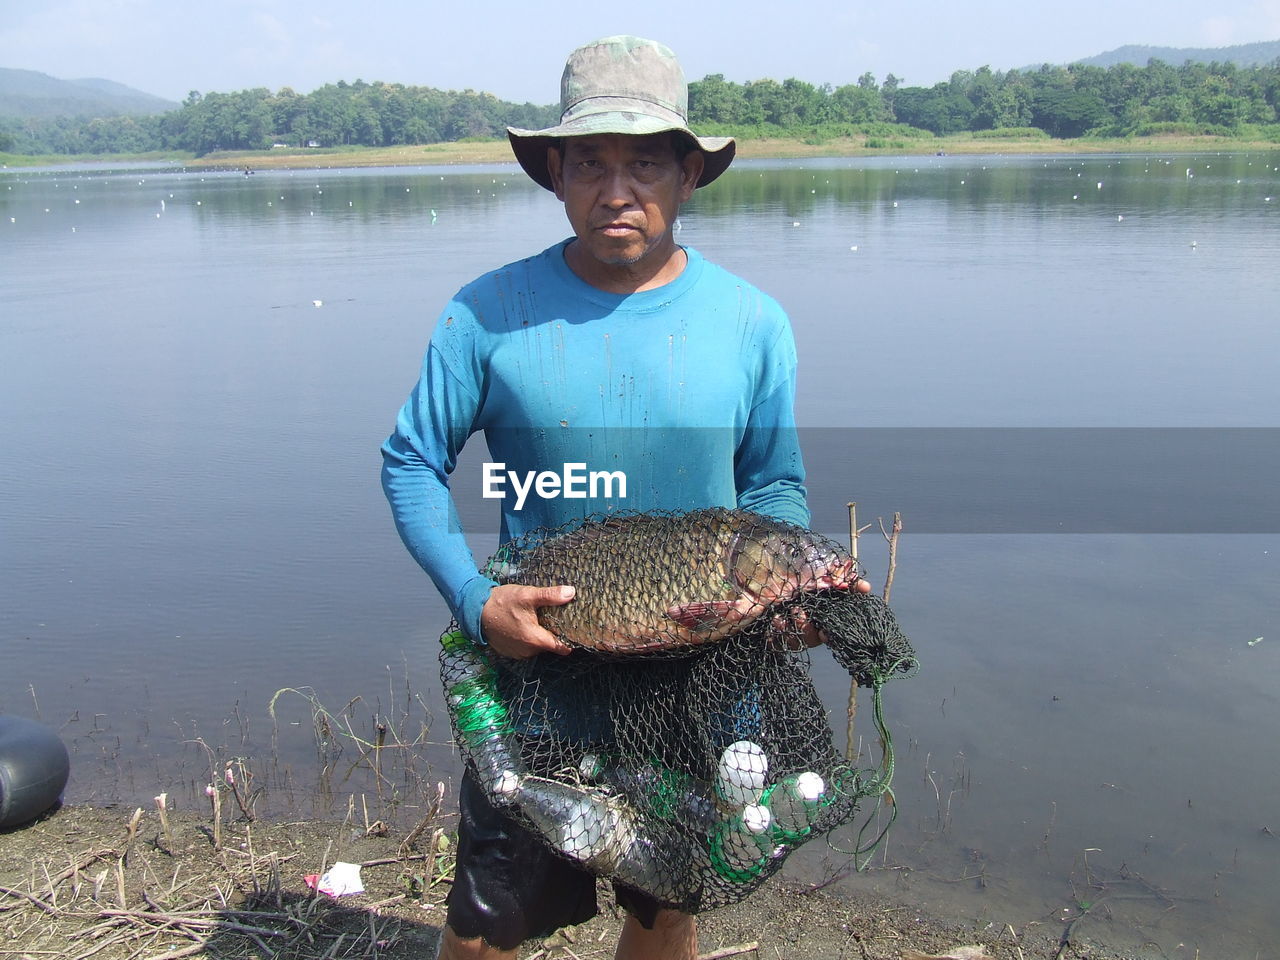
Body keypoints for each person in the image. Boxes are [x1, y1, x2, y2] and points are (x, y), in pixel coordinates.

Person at [381, 35, 862, 960]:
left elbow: (774, 482)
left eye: (645, 162)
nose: (617, 189)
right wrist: (475, 599)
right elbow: (410, 460)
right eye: (590, 163)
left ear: (687, 176)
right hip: (539, 669)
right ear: (555, 174)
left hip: (697, 676)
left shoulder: (752, 323)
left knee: (664, 906)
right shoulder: (487, 314)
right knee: (488, 924)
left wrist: (787, 591)